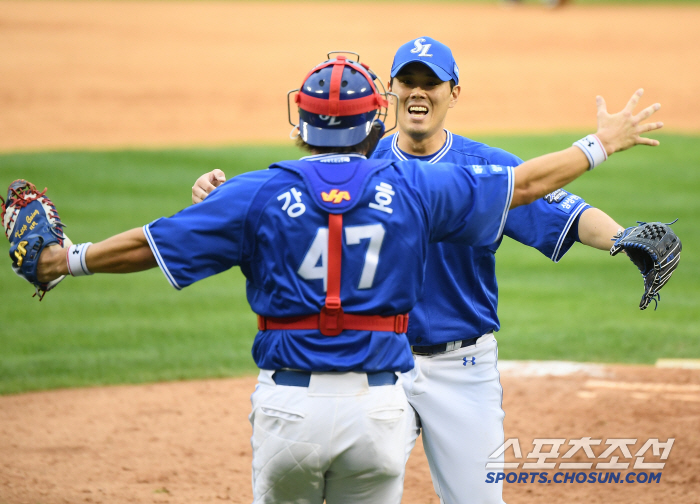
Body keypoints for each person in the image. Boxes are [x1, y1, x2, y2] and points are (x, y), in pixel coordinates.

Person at [191, 39, 662, 504]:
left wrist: (622, 237)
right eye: (408, 82)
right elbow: (287, 202)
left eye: (431, 83)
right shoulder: (360, 164)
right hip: (372, 363)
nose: (419, 92)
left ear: (453, 92)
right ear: (390, 92)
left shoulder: (484, 167)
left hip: (463, 367)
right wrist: (223, 196)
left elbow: (565, 211)